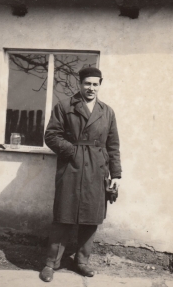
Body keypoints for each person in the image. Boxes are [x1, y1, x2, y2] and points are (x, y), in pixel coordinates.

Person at [40, 67, 122, 282]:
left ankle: (82, 261)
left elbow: (113, 146)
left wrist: (116, 174)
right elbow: (51, 136)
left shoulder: (107, 111)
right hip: (71, 167)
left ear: (100, 85)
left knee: (90, 217)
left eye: (95, 84)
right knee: (63, 215)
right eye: (87, 83)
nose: (91, 88)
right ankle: (51, 263)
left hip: (97, 169)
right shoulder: (65, 107)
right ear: (80, 84)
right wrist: (74, 151)